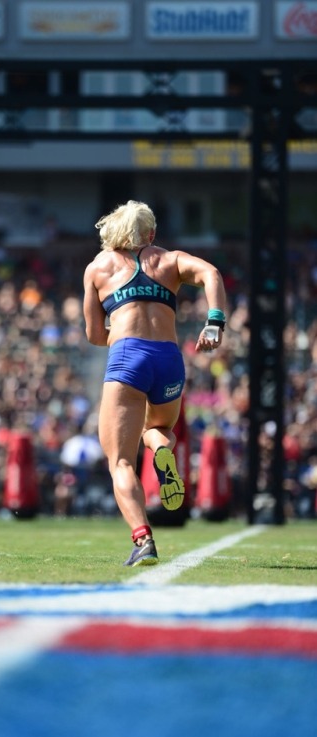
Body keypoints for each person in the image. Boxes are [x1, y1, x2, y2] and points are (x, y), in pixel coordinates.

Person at [83, 200, 227, 567]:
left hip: (128, 358)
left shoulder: (98, 268)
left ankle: (143, 540)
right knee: (159, 426)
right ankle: (161, 447)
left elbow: (95, 335)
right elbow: (212, 273)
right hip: (168, 358)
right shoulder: (170, 260)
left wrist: (121, 329)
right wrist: (214, 323)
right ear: (151, 233)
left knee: (120, 462)